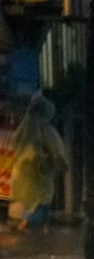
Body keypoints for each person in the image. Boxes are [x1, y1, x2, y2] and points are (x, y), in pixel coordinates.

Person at [7, 91, 69, 233]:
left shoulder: (24, 129)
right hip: (40, 175)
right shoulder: (45, 130)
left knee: (24, 202)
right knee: (40, 201)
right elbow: (57, 151)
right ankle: (30, 225)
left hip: (21, 176)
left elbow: (14, 144)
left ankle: (21, 225)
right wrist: (61, 165)